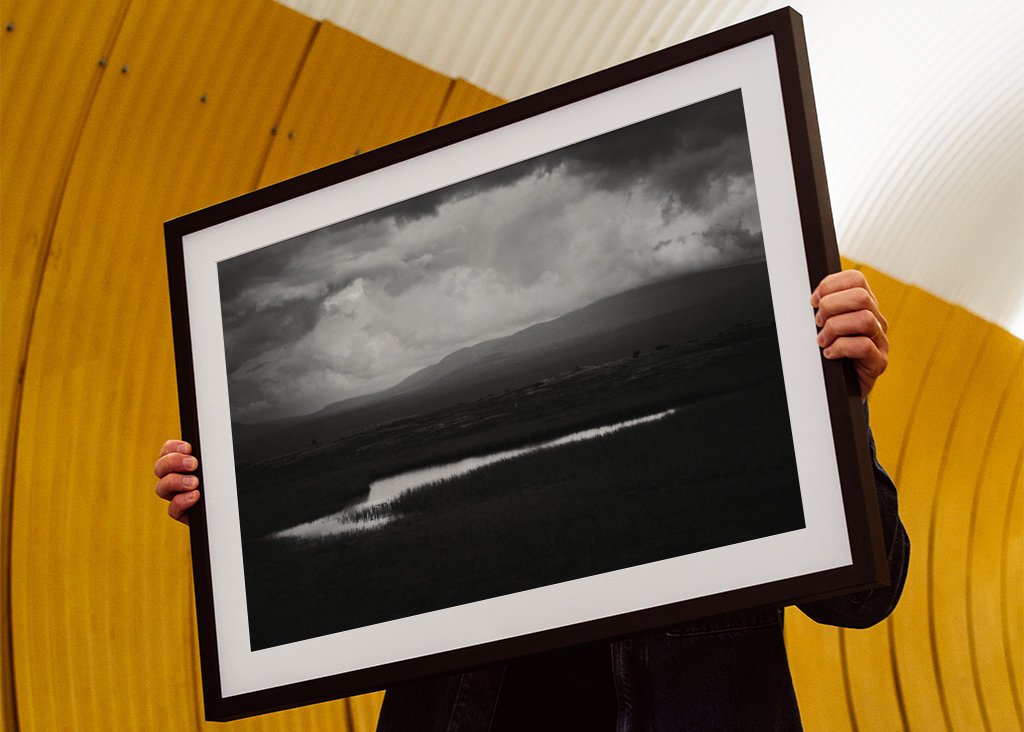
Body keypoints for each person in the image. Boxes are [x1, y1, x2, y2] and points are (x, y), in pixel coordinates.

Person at [155, 269, 909, 730]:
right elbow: (334, 585)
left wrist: (839, 404)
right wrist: (235, 512)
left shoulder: (770, 392)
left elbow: (864, 597)